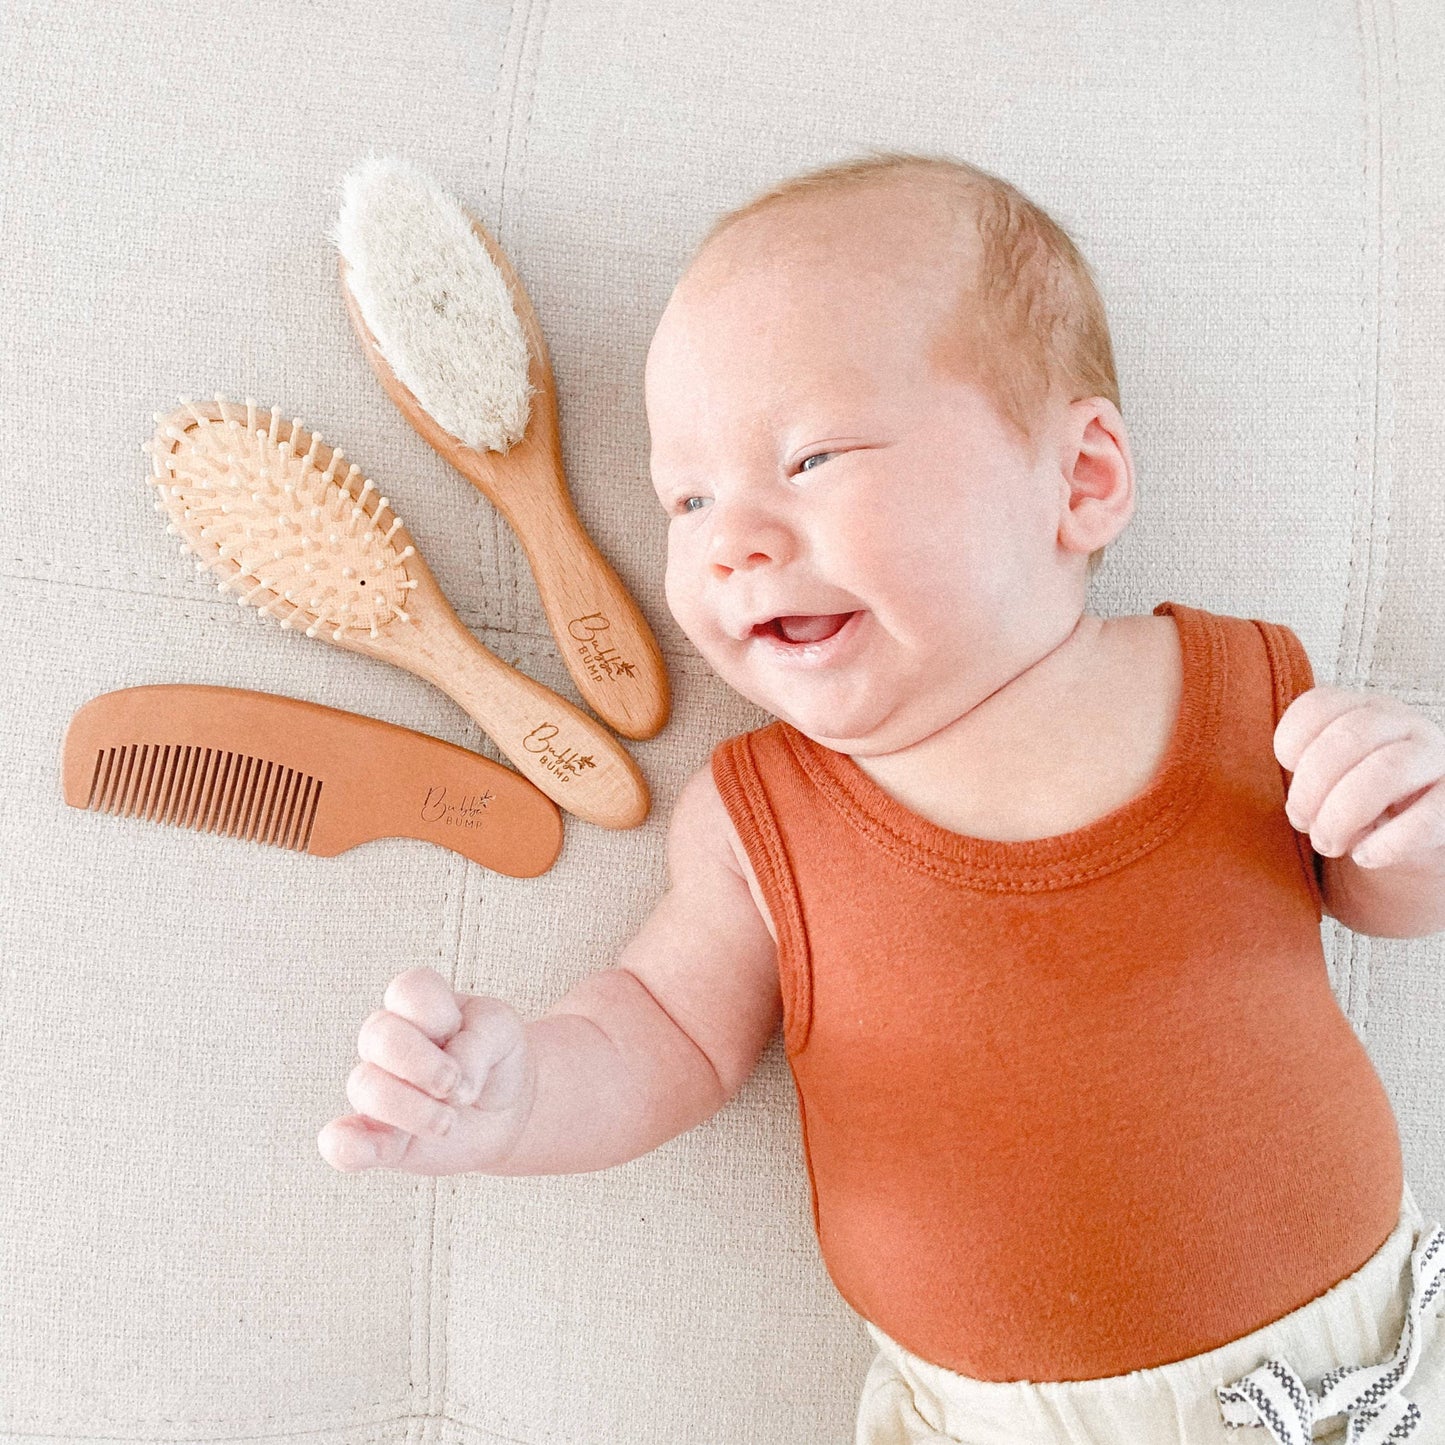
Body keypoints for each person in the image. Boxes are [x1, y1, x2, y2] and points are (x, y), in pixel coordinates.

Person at [316, 151, 1445, 1444]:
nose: (729, 537)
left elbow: (1379, 897)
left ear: (1077, 482)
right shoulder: (759, 821)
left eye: (808, 459)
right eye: (685, 497)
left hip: (1363, 1374)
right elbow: (662, 1033)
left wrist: (1409, 824)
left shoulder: (1243, 692)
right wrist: (519, 1094)